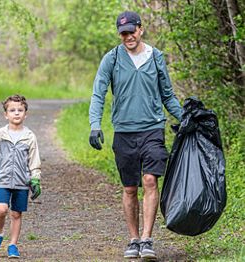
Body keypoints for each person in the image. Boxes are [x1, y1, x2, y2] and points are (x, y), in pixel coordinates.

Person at [89, 11, 182, 260]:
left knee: (150, 180)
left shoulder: (156, 57)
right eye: (123, 33)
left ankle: (147, 238)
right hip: (124, 132)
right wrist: (95, 125)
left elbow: (168, 95)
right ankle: (133, 239)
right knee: (130, 188)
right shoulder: (112, 58)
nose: (128, 36)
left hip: (152, 128)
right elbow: (98, 93)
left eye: (132, 31)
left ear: (141, 29)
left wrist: (185, 119)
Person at [0, 94, 41, 259]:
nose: (16, 113)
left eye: (20, 110)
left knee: (16, 214)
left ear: (25, 114)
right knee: (2, 209)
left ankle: (13, 244)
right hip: (4, 180)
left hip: (22, 182)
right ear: (5, 114)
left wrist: (35, 178)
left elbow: (34, 160)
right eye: (12, 110)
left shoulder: (30, 137)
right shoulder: (0, 134)